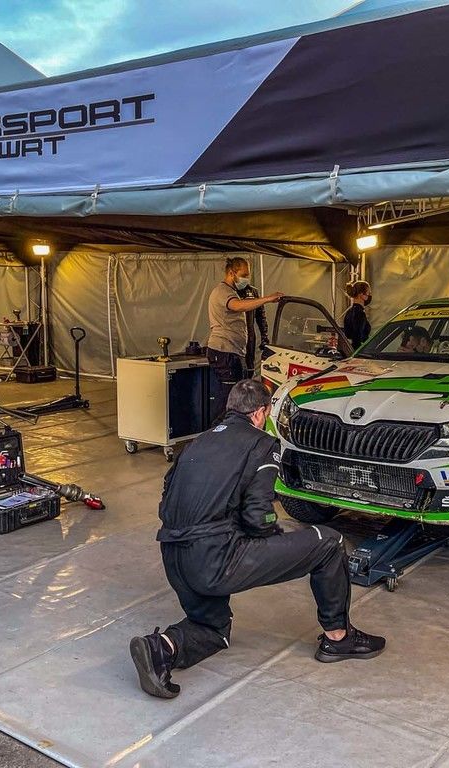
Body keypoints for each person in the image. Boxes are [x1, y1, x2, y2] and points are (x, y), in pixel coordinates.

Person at [129, 380, 385, 699]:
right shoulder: (261, 444)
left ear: (230, 409)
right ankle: (338, 637)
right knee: (328, 542)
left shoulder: (196, 443)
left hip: (174, 557)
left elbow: (167, 500)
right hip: (216, 560)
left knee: (213, 629)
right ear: (261, 413)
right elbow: (257, 516)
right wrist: (274, 537)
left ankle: (160, 647)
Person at [206, 257, 282, 420]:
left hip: (234, 352)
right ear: (231, 273)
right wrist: (267, 298)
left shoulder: (234, 291)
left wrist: (264, 336)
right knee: (227, 398)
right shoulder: (223, 291)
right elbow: (238, 305)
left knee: (236, 396)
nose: (246, 278)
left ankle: (231, 427)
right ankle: (220, 428)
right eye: (244, 275)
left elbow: (259, 317)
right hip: (224, 352)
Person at [235, 280, 270, 380]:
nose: (245, 278)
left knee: (249, 365)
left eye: (247, 275)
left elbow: (261, 316)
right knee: (236, 365)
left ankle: (248, 381)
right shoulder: (230, 291)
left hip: (249, 336)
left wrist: (264, 336)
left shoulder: (253, 292)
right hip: (233, 336)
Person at [342, 280, 372, 350]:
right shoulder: (359, 313)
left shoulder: (350, 311)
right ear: (361, 294)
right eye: (368, 292)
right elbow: (357, 337)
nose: (369, 295)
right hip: (358, 350)